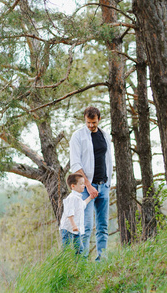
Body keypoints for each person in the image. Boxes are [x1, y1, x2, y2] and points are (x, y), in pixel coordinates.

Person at [70, 106, 113, 261]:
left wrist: (108, 182)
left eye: (93, 122)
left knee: (102, 226)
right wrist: (88, 185)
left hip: (104, 185)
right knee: (86, 226)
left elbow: (108, 160)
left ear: (99, 119)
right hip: (86, 189)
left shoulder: (105, 135)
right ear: (85, 120)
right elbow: (75, 164)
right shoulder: (78, 137)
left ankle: (102, 260)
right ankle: (82, 262)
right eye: (88, 122)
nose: (90, 125)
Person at [59, 173, 93, 254]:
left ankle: (77, 265)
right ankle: (65, 264)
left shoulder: (78, 198)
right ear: (73, 186)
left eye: (84, 184)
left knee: (79, 248)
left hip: (76, 230)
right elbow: (69, 213)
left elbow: (83, 205)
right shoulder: (71, 198)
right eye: (81, 184)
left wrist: (91, 197)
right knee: (67, 249)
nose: (83, 186)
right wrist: (73, 225)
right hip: (68, 229)